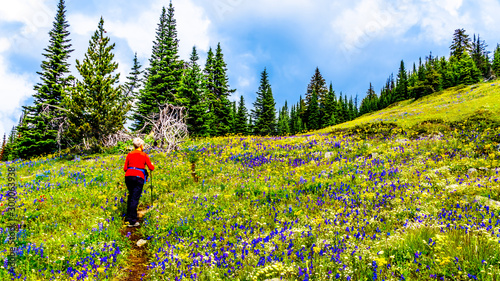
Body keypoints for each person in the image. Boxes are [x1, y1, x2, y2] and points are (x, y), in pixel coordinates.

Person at [123, 138, 154, 227]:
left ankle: (128, 218)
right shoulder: (144, 155)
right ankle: (132, 221)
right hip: (138, 177)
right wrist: (152, 165)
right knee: (135, 198)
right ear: (141, 145)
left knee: (131, 196)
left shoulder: (129, 154)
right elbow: (151, 168)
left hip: (128, 176)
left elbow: (125, 168)